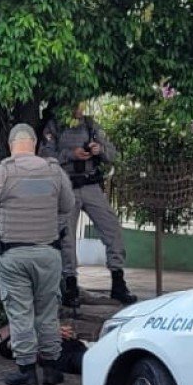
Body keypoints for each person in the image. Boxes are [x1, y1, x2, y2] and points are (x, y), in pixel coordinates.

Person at [0, 123, 76, 385]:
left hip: (13, 254)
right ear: (34, 144)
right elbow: (67, 205)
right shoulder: (55, 172)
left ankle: (27, 371)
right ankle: (53, 369)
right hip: (48, 253)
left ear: (11, 145)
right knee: (47, 312)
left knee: (20, 312)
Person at [54, 102, 136, 308]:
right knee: (67, 238)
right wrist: (71, 154)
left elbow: (112, 155)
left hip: (91, 185)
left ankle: (118, 282)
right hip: (67, 186)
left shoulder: (91, 126)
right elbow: (45, 157)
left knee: (112, 230)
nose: (79, 107)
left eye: (81, 102)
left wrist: (99, 150)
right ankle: (70, 286)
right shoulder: (54, 126)